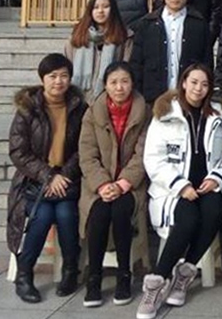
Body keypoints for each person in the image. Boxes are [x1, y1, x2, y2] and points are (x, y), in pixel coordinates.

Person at [137, 63, 222, 319]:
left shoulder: (220, 116)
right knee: (188, 220)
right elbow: (153, 158)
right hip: (174, 188)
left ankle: (183, 275)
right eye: (193, 82)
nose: (198, 89)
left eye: (204, 84)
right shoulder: (165, 114)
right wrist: (180, 186)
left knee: (213, 214)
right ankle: (156, 282)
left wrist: (216, 178)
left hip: (208, 185)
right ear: (183, 82)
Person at [7, 54, 87, 303]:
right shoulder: (28, 109)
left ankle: (70, 271)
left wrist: (63, 175)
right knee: (41, 217)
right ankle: (24, 275)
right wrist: (48, 176)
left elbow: (84, 148)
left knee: (66, 215)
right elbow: (18, 151)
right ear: (42, 79)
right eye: (52, 76)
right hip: (33, 183)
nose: (58, 81)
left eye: (64, 76)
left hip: (68, 181)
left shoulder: (79, 108)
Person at [78, 62, 149, 308]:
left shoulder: (144, 112)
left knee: (120, 212)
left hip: (131, 184)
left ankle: (124, 275)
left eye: (125, 81)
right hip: (98, 184)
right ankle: (94, 277)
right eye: (114, 82)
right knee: (98, 212)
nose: (119, 87)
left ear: (132, 84)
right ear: (106, 85)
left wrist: (122, 183)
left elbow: (143, 154)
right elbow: (87, 155)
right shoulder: (92, 113)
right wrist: (102, 184)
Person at [130, 0, 211, 105]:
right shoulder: (147, 24)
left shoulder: (199, 24)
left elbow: (206, 61)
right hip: (153, 96)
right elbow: (137, 63)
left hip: (189, 96)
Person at [65, 0, 133, 101]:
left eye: (106, 7)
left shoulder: (124, 37)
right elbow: (68, 65)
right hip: (79, 97)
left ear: (113, 9)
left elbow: (126, 67)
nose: (100, 11)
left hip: (111, 97)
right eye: (96, 7)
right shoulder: (77, 36)